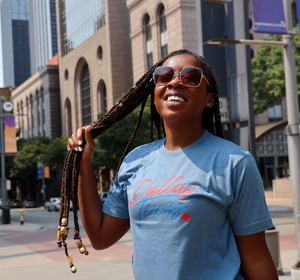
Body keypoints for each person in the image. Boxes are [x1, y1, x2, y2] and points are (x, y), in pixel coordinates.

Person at [67, 49, 278, 279]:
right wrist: (84, 165)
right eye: (164, 76)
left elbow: (256, 258)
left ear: (209, 99)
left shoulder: (235, 163)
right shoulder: (134, 161)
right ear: (155, 91)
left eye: (191, 78)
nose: (175, 82)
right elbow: (99, 237)